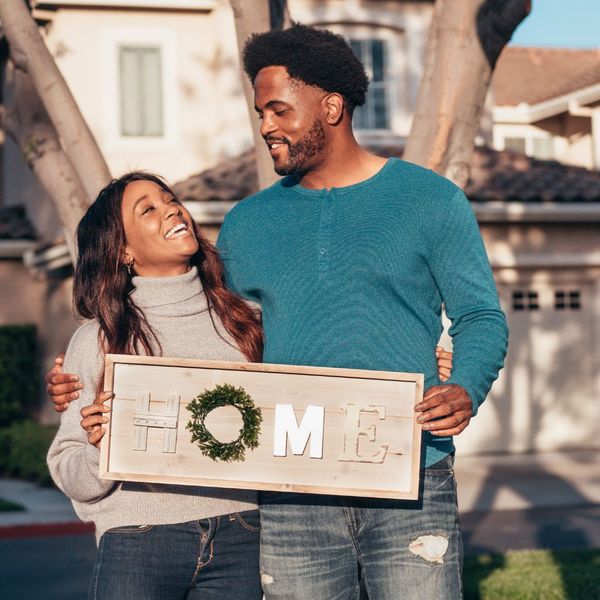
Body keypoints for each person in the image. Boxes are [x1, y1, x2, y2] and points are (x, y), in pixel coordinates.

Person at [47, 23, 506, 600]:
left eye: (278, 110)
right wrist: (84, 379)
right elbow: (208, 330)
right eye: (260, 112)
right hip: (290, 491)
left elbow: (480, 318)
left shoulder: (431, 200)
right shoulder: (248, 223)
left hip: (412, 474)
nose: (265, 126)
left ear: (331, 106)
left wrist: (465, 384)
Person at [47, 172, 264, 600]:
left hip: (244, 533)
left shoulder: (248, 322)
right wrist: (99, 449)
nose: (171, 208)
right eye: (148, 208)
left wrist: (432, 361)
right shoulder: (98, 338)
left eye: (170, 199)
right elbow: (69, 468)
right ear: (123, 250)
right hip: (138, 538)